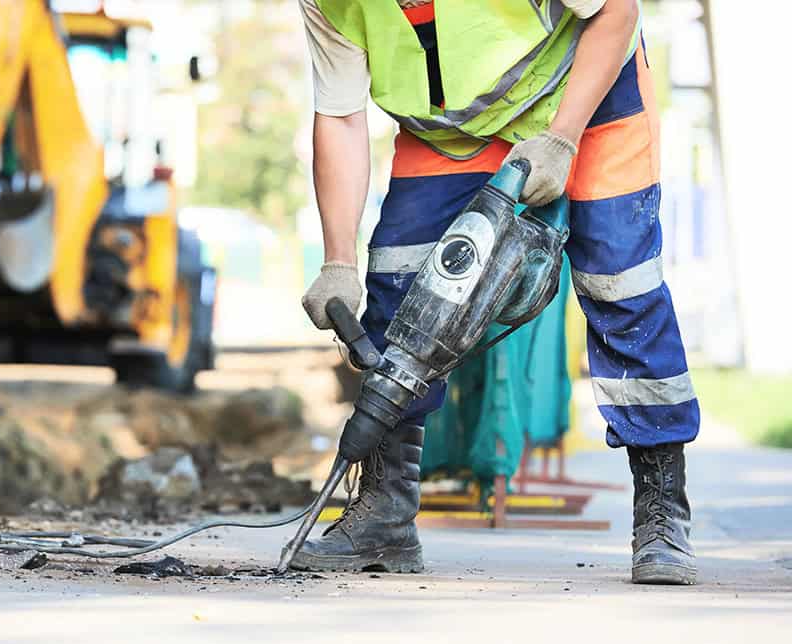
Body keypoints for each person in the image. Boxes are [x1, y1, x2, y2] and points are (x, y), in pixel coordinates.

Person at [295, 0, 700, 585]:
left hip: (587, 95)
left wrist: (562, 139)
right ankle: (384, 514)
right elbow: (339, 116)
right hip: (452, 133)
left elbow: (615, 11)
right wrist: (337, 260)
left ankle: (662, 515)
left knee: (620, 286)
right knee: (399, 290)